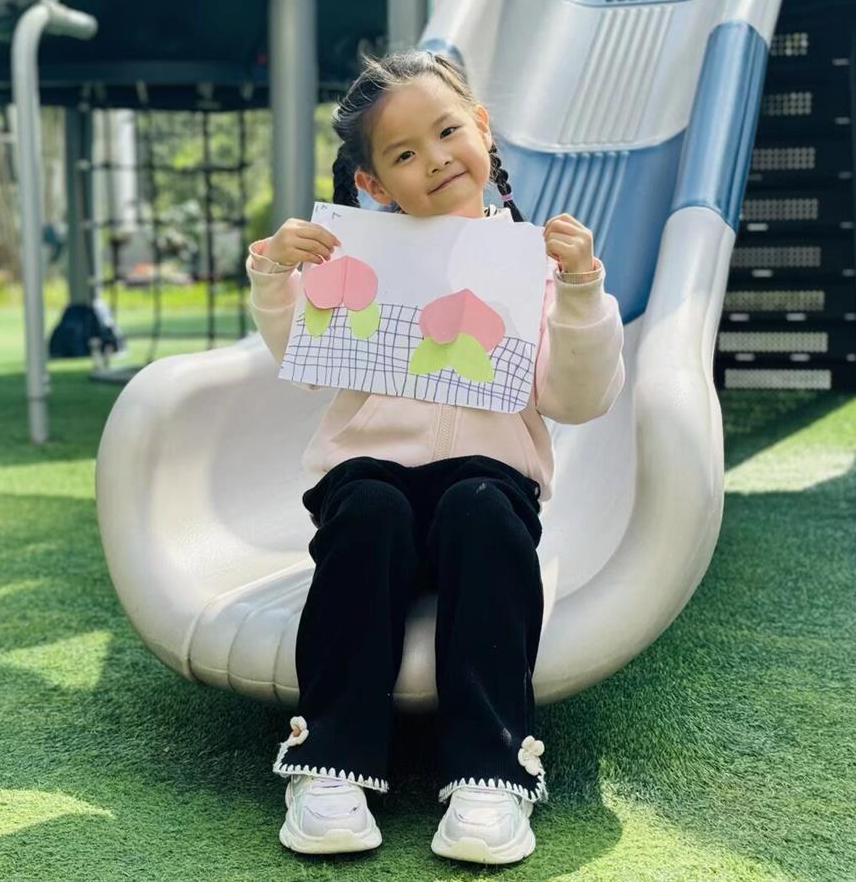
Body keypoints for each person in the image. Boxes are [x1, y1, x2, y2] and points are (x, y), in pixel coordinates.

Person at [245, 49, 625, 865]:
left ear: (482, 129)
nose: (437, 158)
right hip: (370, 479)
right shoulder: (358, 257)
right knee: (368, 509)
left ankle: (491, 772)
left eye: (449, 131)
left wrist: (581, 287)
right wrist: (277, 275)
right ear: (374, 183)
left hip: (487, 485)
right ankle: (329, 763)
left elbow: (578, 398)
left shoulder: (534, 266)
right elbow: (304, 360)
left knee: (481, 509)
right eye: (405, 153)